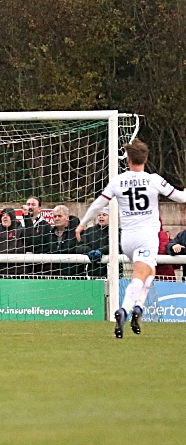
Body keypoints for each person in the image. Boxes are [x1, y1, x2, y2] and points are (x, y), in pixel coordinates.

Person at [76, 138, 186, 339]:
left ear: (128, 160)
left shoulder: (118, 181)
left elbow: (98, 204)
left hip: (127, 237)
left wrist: (83, 223)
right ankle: (125, 310)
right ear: (146, 158)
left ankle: (138, 308)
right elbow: (181, 198)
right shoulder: (154, 179)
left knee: (148, 271)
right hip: (146, 236)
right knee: (140, 274)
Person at [75, 207, 114, 278]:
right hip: (93, 274)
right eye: (99, 215)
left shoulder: (116, 232)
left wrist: (102, 251)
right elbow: (79, 247)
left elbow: (117, 246)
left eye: (104, 215)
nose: (101, 216)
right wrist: (89, 251)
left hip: (114, 274)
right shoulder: (90, 231)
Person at [0, 207, 27, 276]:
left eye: (8, 215)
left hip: (16, 274)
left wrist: (27, 216)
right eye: (3, 215)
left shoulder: (21, 231)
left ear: (13, 218)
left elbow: (31, 237)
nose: (5, 217)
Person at [46, 205, 81, 277]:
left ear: (67, 217)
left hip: (75, 276)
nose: (57, 218)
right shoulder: (49, 234)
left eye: (59, 216)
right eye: (55, 216)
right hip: (53, 277)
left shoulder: (77, 232)